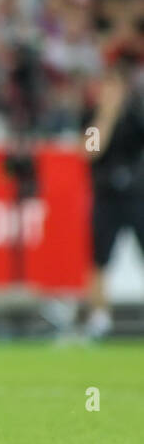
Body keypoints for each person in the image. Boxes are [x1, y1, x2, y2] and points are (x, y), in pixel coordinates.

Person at [83, 52, 144, 339]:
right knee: (99, 257)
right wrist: (106, 116)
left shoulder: (136, 117)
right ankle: (99, 318)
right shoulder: (94, 117)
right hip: (106, 195)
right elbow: (91, 151)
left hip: (135, 194)